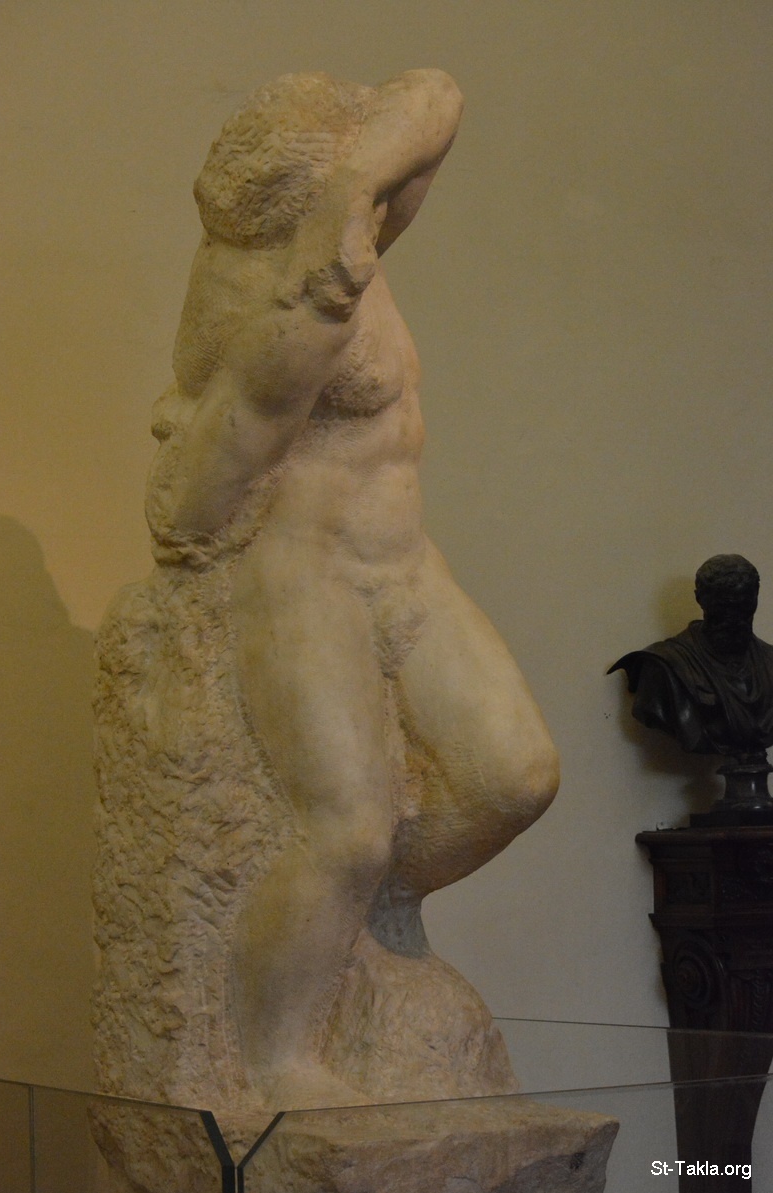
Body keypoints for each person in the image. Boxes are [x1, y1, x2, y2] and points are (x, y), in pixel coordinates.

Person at [146, 70, 559, 1109]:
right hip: (306, 575)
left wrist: (352, 189)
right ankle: (275, 1059)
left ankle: (360, 923)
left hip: (407, 565)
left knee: (515, 777)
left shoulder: (349, 232)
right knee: (347, 829)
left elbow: (436, 98)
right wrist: (314, 304)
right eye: (355, 190)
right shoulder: (275, 304)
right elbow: (194, 499)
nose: (387, 206)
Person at [609, 555, 773, 756]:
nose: (734, 617)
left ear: (756, 596)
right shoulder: (665, 665)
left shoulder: (769, 660)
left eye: (743, 606)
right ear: (700, 599)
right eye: (723, 607)